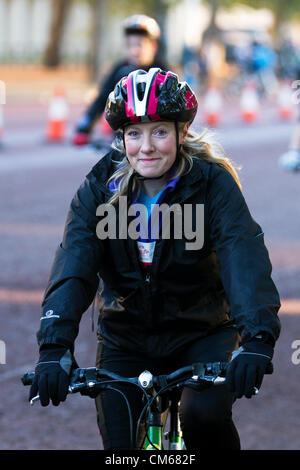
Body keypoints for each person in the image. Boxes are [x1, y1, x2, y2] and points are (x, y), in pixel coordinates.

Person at [30, 68, 281, 450]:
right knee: (121, 447)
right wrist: (54, 346)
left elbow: (241, 254)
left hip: (202, 332)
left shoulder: (213, 185)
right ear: (122, 137)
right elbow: (74, 262)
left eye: (160, 131)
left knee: (203, 416)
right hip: (126, 338)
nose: (145, 146)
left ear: (182, 133)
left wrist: (256, 338)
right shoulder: (100, 189)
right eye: (134, 133)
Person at [72, 14, 167, 146]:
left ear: (153, 46)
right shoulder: (120, 70)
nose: (134, 50)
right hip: (123, 140)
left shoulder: (163, 73)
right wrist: (84, 128)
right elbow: (101, 99)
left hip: (155, 142)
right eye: (130, 45)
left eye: (140, 44)